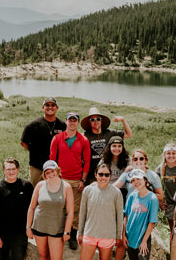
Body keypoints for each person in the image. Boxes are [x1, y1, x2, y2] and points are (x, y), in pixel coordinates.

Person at [70, 164, 124, 260]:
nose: (104, 177)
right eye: (101, 174)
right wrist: (80, 232)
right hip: (90, 234)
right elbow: (82, 213)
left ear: (110, 176)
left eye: (107, 175)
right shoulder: (88, 190)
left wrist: (118, 235)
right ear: (95, 174)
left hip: (107, 235)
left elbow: (120, 215)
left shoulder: (116, 192)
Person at [26, 160, 75, 260]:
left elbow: (71, 211)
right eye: (47, 172)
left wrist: (67, 231)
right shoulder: (40, 185)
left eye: (52, 171)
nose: (50, 174)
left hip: (57, 228)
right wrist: (28, 227)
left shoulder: (66, 187)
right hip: (39, 226)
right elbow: (31, 207)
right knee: (43, 257)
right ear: (44, 174)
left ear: (57, 171)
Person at [113, 148, 163, 260]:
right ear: (132, 161)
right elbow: (114, 187)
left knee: (141, 240)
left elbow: (160, 195)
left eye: (141, 158)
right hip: (130, 211)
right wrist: (98, 185)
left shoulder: (152, 175)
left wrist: (145, 194)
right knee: (122, 238)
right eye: (135, 159)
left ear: (146, 160)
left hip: (145, 212)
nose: (138, 161)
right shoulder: (128, 174)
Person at [49, 112, 91, 250]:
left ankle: (72, 235)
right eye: (70, 120)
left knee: (75, 209)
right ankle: (59, 233)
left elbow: (87, 162)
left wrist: (83, 180)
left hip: (76, 180)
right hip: (61, 179)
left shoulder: (83, 140)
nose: (72, 123)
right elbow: (52, 160)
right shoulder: (57, 138)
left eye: (75, 120)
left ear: (77, 123)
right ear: (66, 121)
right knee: (59, 206)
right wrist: (54, 178)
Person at [122, 169, 159, 260]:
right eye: (133, 180)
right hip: (130, 236)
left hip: (143, 238)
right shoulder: (131, 196)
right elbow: (126, 216)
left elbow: (152, 222)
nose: (136, 182)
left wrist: (144, 241)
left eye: (138, 179)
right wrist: (123, 234)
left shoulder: (152, 198)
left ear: (145, 180)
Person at [21, 97, 66, 187]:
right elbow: (23, 142)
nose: (50, 107)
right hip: (37, 166)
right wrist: (35, 151)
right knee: (35, 191)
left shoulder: (62, 125)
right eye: (47, 105)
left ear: (57, 108)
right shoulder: (33, 125)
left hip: (55, 167)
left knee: (54, 191)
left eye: (53, 105)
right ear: (43, 107)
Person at [81, 107, 132, 184]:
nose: (95, 121)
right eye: (92, 120)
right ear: (89, 122)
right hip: (91, 176)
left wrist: (123, 120)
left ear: (101, 120)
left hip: (108, 175)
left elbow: (129, 134)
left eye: (98, 119)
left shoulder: (110, 133)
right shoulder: (85, 135)